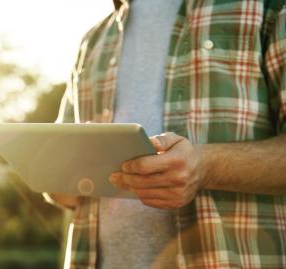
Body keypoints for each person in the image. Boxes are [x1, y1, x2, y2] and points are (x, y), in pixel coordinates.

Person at [44, 0, 286, 268]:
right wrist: (57, 173)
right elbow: (64, 191)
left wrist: (205, 166)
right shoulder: (93, 41)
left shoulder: (268, 8)